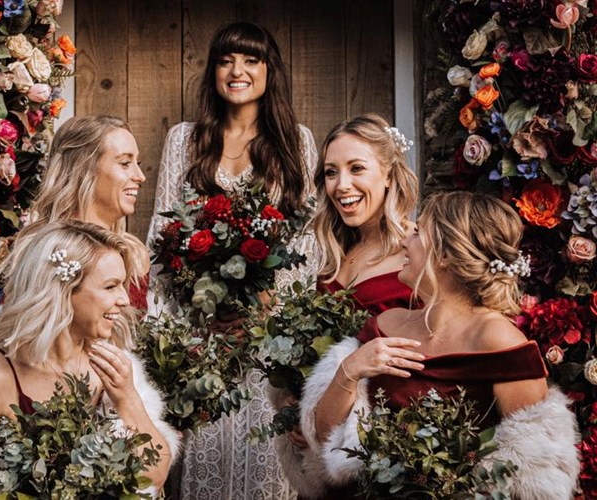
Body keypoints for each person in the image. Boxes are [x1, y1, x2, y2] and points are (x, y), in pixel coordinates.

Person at [299, 192, 579, 499]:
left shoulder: (497, 339)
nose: (405, 240)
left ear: (444, 255)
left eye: (418, 233)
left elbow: (533, 473)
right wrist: (349, 370)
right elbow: (326, 439)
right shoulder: (387, 324)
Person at [147, 21, 317, 500]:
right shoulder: (184, 140)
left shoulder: (296, 142)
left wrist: (265, 311)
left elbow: (306, 245)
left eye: (250, 60)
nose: (236, 71)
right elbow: (162, 240)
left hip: (269, 340)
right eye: (226, 60)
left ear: (269, 71)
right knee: (206, 457)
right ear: (213, 71)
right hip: (202, 338)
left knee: (269, 466)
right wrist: (193, 322)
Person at [0, 221, 180, 499]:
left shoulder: (114, 367)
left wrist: (128, 399)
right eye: (110, 286)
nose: (124, 299)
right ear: (62, 290)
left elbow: (155, 476)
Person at [275, 114, 419, 499]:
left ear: (389, 174)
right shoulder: (336, 255)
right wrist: (301, 407)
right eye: (331, 173)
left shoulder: (417, 254)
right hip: (328, 457)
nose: (342, 186)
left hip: (385, 456)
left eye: (357, 168)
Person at [32, 114, 150, 309]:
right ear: (84, 169)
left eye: (138, 164)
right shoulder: (45, 252)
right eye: (125, 163)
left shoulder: (134, 254)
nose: (140, 176)